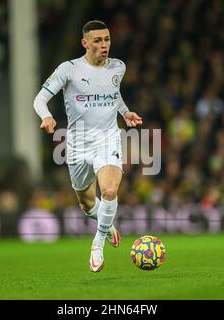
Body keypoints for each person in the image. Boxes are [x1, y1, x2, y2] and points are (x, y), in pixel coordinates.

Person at [33, 20, 143, 272]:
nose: (104, 45)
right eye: (97, 40)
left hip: (108, 139)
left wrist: (125, 114)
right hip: (77, 144)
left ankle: (97, 244)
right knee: (86, 203)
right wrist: (46, 116)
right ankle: (107, 223)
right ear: (85, 43)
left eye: (107, 40)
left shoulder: (118, 67)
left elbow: (113, 95)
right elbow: (40, 98)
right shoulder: (68, 69)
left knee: (110, 191)